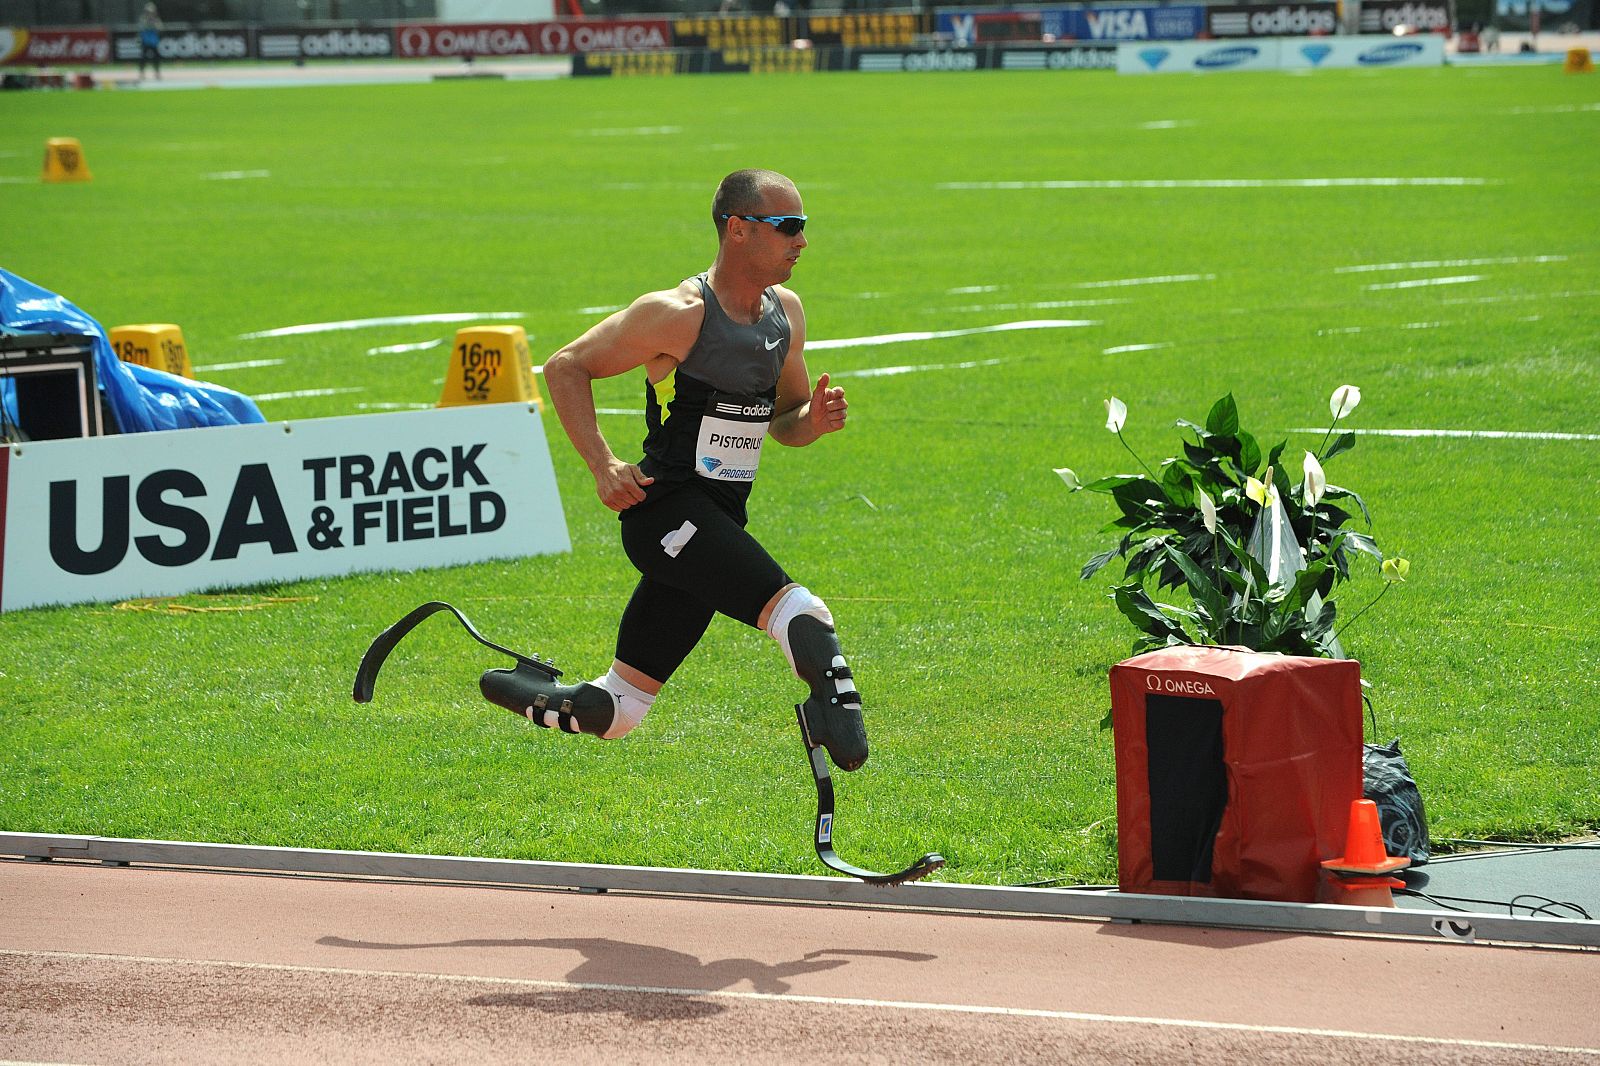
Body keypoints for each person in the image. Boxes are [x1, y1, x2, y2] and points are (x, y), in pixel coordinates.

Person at [487, 168, 869, 772]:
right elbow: (566, 367)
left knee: (619, 712)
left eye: (805, 227)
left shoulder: (786, 314)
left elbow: (785, 419)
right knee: (802, 614)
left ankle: (522, 687)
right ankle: (835, 725)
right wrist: (602, 464)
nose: (802, 241)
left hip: (718, 522)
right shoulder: (677, 314)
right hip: (664, 514)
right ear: (738, 230)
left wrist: (812, 421)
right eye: (788, 226)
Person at [137, 3, 162, 81]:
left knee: (156, 58)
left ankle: (157, 73)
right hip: (146, 41)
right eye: (148, 12)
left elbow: (160, 28)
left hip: (154, 42)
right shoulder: (143, 19)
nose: (150, 13)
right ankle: (142, 73)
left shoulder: (156, 19)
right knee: (143, 58)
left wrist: (154, 22)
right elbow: (141, 28)